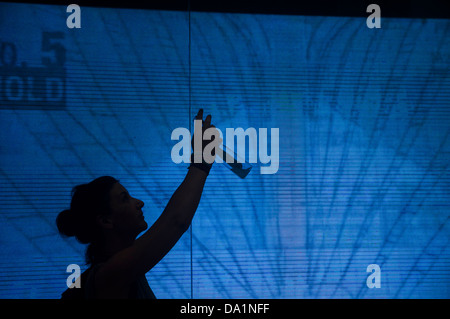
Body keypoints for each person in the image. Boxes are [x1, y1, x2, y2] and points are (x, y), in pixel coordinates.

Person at [56, 109, 217, 298]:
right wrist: (201, 161)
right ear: (106, 221)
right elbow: (176, 221)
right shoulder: (111, 274)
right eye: (125, 198)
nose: (139, 203)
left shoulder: (120, 270)